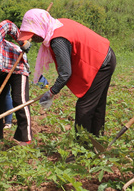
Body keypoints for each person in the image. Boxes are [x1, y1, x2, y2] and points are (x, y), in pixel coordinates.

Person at [19, 9, 116, 138]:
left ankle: (83, 148)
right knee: (96, 104)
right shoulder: (56, 25)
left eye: (33, 34)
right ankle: (97, 142)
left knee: (84, 107)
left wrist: (51, 92)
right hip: (104, 56)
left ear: (41, 27)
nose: (32, 38)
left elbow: (65, 73)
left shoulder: (58, 39)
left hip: (101, 62)